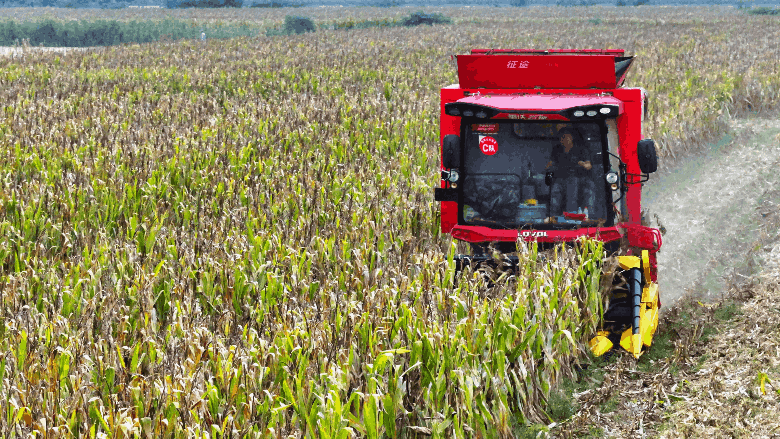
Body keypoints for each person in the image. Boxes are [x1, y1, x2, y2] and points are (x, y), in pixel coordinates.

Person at [546, 127, 592, 218]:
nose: (563, 139)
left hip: (576, 177)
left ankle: (571, 217)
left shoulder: (581, 149)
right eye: (561, 137)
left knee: (571, 194)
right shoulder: (557, 149)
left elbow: (588, 166)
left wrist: (582, 163)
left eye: (565, 136)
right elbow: (550, 164)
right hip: (559, 177)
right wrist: (548, 167)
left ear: (572, 137)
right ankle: (552, 217)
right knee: (554, 195)